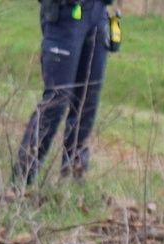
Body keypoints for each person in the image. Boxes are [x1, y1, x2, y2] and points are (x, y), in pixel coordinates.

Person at [16, 0, 115, 184]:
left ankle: (72, 179)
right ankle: (22, 177)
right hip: (63, 15)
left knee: (87, 101)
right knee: (57, 99)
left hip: (97, 14)